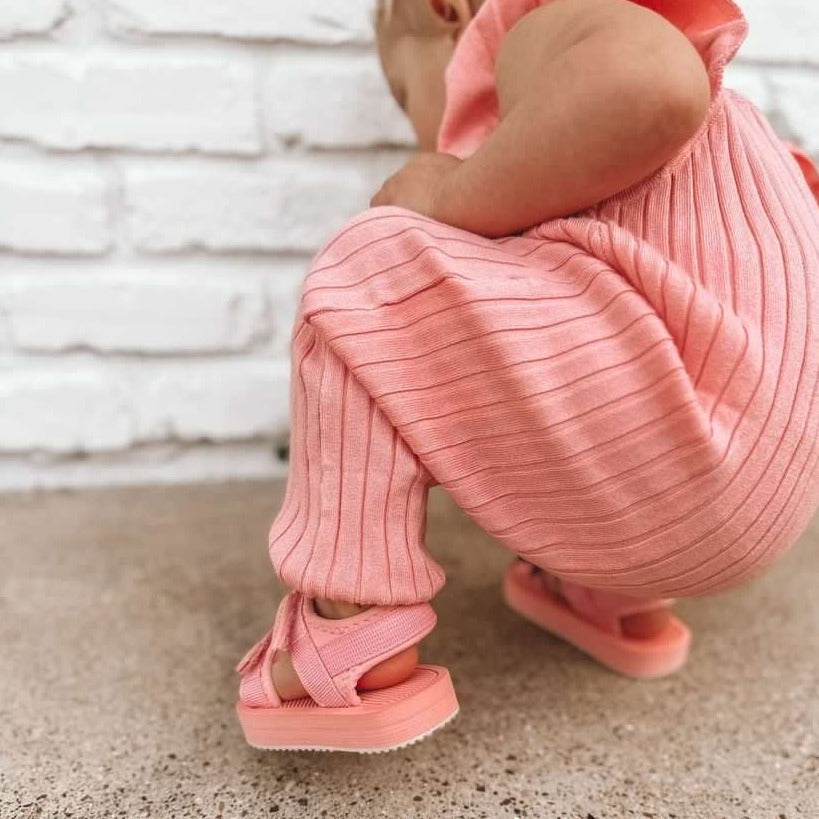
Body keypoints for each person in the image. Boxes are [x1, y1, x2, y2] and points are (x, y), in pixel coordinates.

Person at [234, 0, 819, 753]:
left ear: (449, 14)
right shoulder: (673, 140)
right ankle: (611, 587)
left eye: (405, 95)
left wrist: (448, 193)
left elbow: (653, 84)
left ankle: (352, 624)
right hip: (763, 500)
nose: (416, 126)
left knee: (367, 271)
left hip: (692, 450)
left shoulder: (536, 25)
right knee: (565, 299)